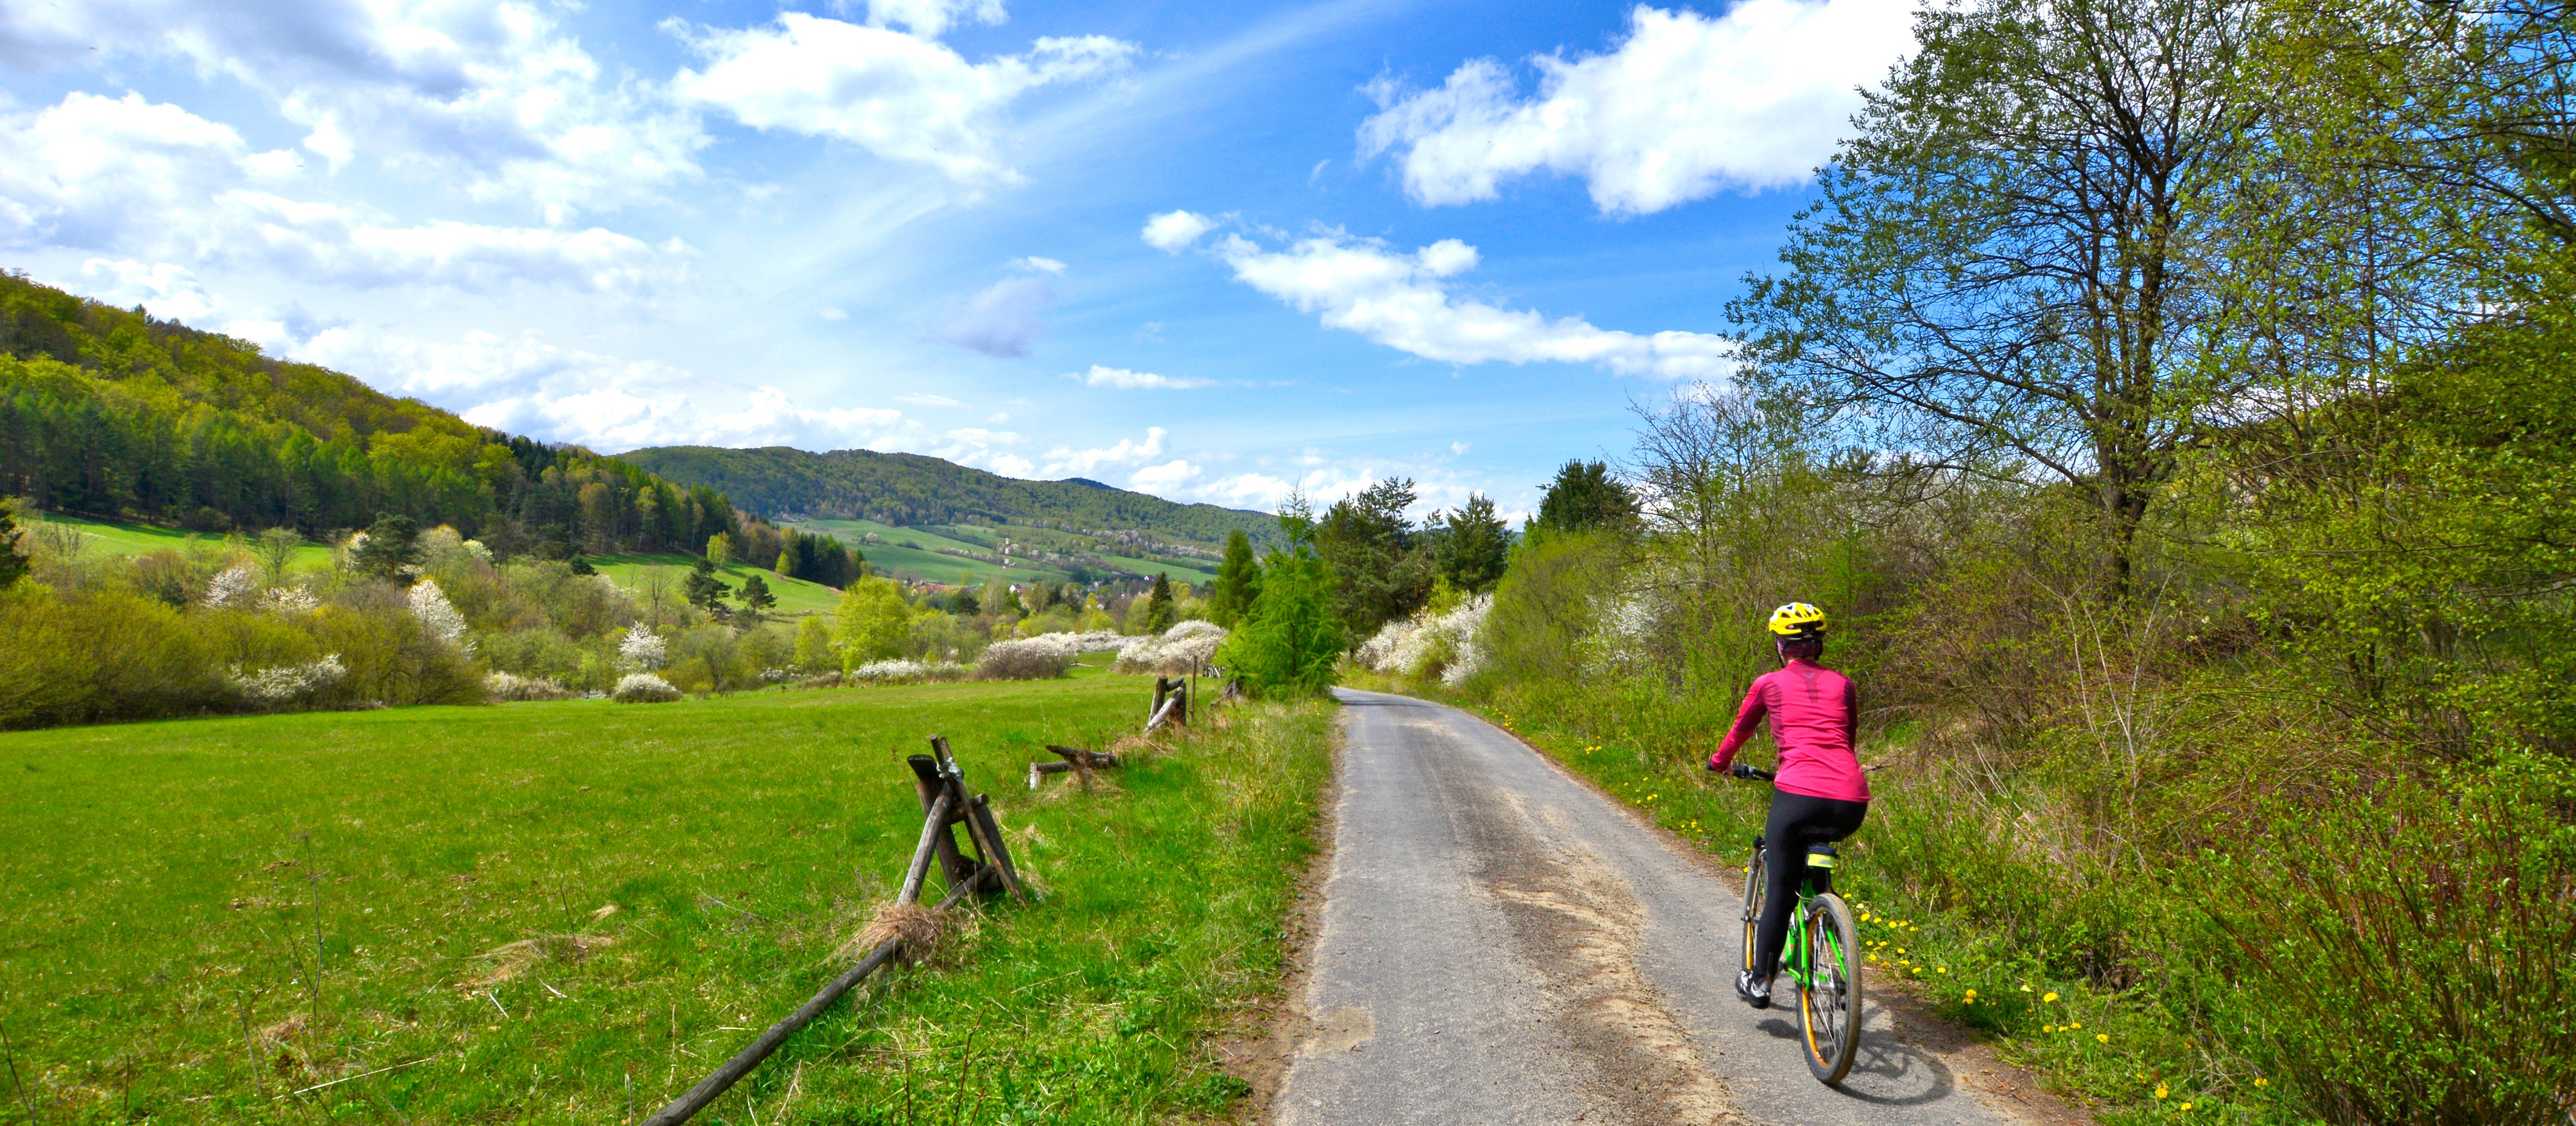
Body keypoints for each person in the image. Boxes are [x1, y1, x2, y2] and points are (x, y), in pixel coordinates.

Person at [1707, 602, 1869, 1009]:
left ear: (1781, 645)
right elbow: (1846, 739)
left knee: (1781, 889)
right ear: (1819, 645)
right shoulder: (1844, 684)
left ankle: (1760, 979)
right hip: (1850, 799)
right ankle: (1827, 913)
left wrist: (1719, 763)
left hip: (1798, 793)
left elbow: (1741, 729)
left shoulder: (1769, 683)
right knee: (1817, 867)